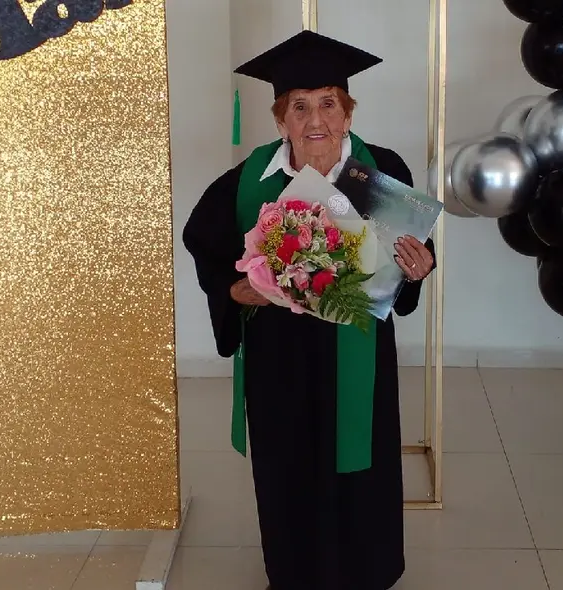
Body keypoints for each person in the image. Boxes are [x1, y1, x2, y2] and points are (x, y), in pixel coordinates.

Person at [182, 30, 436, 590]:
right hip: (280, 357)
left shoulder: (378, 173)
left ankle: (366, 570)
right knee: (288, 464)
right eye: (299, 107)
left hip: (357, 350)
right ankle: (295, 572)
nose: (314, 119)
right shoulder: (252, 182)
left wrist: (421, 267)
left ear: (347, 114)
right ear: (281, 120)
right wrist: (235, 291)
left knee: (360, 464)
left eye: (327, 104)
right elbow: (203, 240)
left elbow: (408, 258)